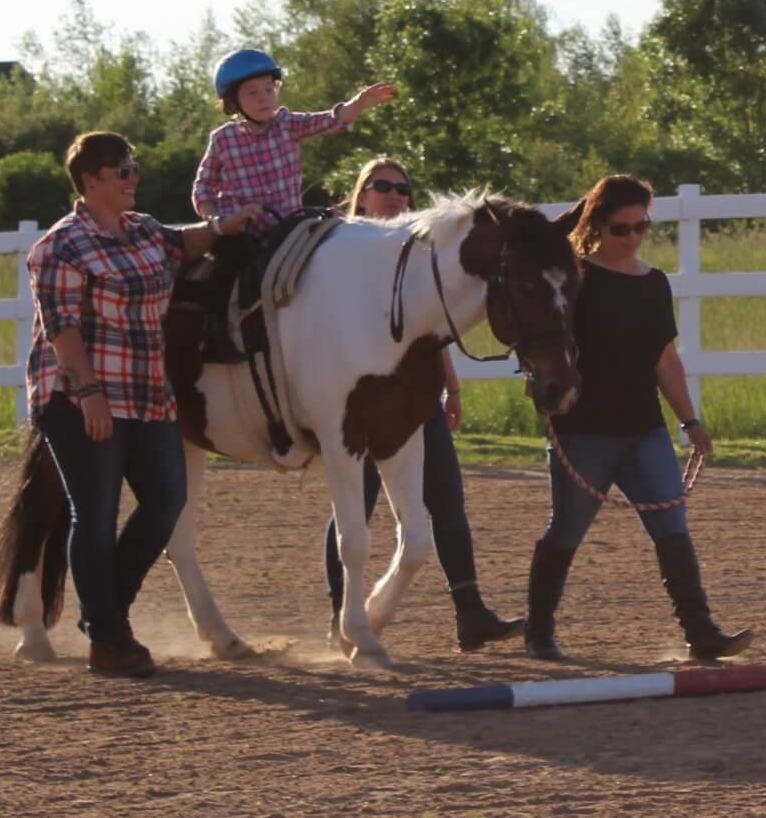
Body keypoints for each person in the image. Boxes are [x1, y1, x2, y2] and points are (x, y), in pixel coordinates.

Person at [27, 130, 262, 678]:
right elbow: (60, 328)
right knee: (97, 513)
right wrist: (87, 393)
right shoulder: (60, 246)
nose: (134, 178)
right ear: (91, 182)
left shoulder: (142, 230)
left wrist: (225, 225)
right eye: (123, 171)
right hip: (80, 395)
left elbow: (183, 243)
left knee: (166, 502)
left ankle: (105, 614)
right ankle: (108, 640)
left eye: (134, 168)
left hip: (146, 391)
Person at [524, 173, 754, 662]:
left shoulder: (654, 284)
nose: (631, 237)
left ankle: (701, 633)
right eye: (620, 228)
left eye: (640, 226)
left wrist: (690, 422)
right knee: (566, 530)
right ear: (597, 226)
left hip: (644, 430)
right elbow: (544, 344)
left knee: (673, 530)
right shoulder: (574, 279)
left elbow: (664, 359)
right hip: (583, 431)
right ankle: (539, 631)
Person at [321, 156, 524, 652]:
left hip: (416, 394)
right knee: (356, 508)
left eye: (402, 188)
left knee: (447, 501)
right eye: (382, 185)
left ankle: (470, 612)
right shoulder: (344, 249)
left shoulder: (419, 253)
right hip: (361, 401)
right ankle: (340, 617)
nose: (394, 194)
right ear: (361, 195)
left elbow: (429, 332)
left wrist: (449, 385)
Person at [192, 48, 394, 361]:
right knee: (225, 267)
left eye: (269, 90)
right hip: (242, 230)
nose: (264, 99)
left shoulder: (287, 124)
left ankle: (343, 325)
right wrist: (219, 220)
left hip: (288, 226)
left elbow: (327, 120)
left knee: (330, 243)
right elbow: (203, 188)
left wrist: (357, 105)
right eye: (253, 93)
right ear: (233, 102)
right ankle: (217, 336)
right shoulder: (222, 139)